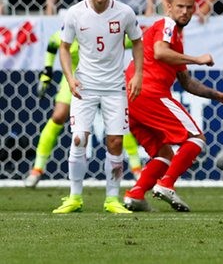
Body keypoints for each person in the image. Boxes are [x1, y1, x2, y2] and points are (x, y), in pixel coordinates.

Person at [124, 0, 223, 212]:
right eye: (180, 6)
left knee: (164, 153)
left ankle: (136, 194)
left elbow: (186, 82)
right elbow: (159, 52)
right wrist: (198, 59)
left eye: (189, 7)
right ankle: (167, 184)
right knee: (196, 137)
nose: (185, 12)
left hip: (131, 99)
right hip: (150, 92)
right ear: (169, 7)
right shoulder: (166, 26)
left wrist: (218, 96)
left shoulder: (175, 40)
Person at [52, 0, 144, 214]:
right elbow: (63, 47)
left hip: (115, 88)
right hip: (85, 87)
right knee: (79, 138)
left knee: (115, 142)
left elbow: (137, 42)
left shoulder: (124, 13)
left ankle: (111, 199)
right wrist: (70, 79)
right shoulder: (74, 13)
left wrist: (137, 74)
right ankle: (75, 197)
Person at [24, 30, 143, 188]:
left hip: (105, 81)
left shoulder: (106, 32)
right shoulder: (66, 34)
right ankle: (37, 169)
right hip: (74, 79)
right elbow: (53, 45)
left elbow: (136, 43)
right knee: (59, 116)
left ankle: (137, 170)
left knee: (118, 123)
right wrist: (47, 73)